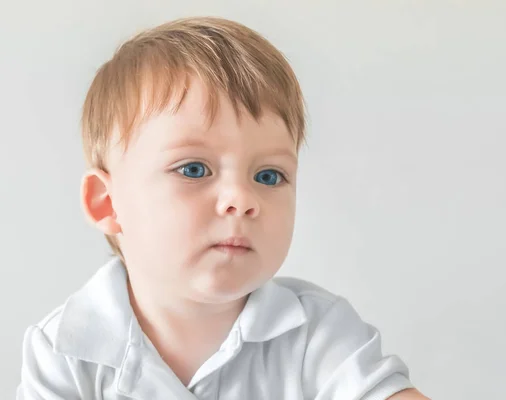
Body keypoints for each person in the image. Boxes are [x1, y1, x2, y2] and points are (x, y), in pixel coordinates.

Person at [17, 16, 429, 399]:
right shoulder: (65, 350)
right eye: (194, 169)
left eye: (268, 176)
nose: (242, 199)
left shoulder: (317, 332)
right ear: (107, 203)